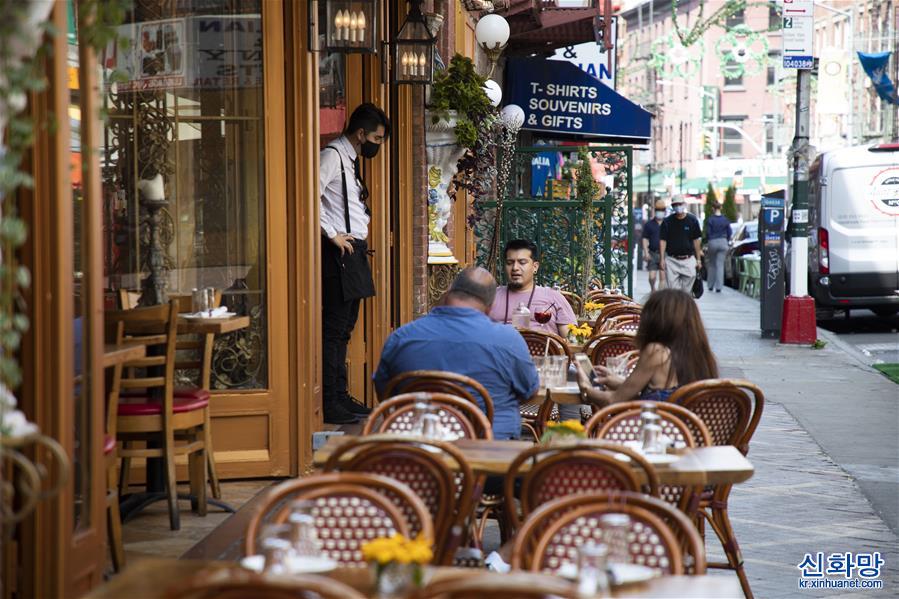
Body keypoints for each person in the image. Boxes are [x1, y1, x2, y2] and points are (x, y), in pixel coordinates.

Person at [373, 267, 540, 440]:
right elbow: (530, 391)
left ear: (447, 293)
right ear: (490, 307)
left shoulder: (402, 337)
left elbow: (385, 394)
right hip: (490, 444)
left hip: (420, 447)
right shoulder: (508, 340)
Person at [320, 103, 390, 424]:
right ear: (361, 134)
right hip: (339, 254)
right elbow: (309, 192)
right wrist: (332, 233)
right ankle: (331, 401)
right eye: (376, 138)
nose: (378, 144)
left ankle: (341, 395)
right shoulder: (333, 156)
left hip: (355, 252)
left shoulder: (350, 159)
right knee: (334, 330)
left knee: (346, 330)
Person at [577, 289, 718, 405]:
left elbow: (613, 400)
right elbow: (661, 395)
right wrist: (616, 381)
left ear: (654, 320)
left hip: (657, 434)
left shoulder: (656, 351)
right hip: (688, 433)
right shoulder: (701, 354)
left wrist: (585, 388)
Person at [488, 239, 577, 337]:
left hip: (544, 351)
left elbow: (571, 340)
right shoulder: (491, 296)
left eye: (522, 262)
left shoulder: (553, 297)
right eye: (510, 263)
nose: (515, 268)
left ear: (535, 267)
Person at [659, 196, 702, 294]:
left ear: (684, 204)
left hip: (688, 259)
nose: (678, 207)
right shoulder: (667, 222)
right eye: (675, 205)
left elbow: (696, 240)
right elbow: (663, 240)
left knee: (687, 290)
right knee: (673, 291)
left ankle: (684, 305)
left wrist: (698, 259)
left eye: (680, 204)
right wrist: (662, 259)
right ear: (672, 207)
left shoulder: (692, 220)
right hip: (672, 260)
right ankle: (676, 306)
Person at [704, 201, 732, 293]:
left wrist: (709, 241)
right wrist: (726, 240)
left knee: (712, 264)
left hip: (713, 242)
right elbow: (730, 232)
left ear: (713, 208)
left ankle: (710, 285)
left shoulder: (710, 219)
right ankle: (719, 287)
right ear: (721, 208)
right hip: (723, 242)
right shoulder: (725, 219)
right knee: (720, 265)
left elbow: (708, 232)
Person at [641, 199, 668, 291]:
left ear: (664, 211)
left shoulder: (667, 223)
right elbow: (645, 238)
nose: (660, 212)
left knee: (663, 277)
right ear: (655, 211)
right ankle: (653, 289)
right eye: (658, 210)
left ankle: (659, 296)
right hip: (652, 253)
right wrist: (646, 252)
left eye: (662, 210)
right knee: (652, 277)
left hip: (664, 254)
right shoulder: (649, 224)